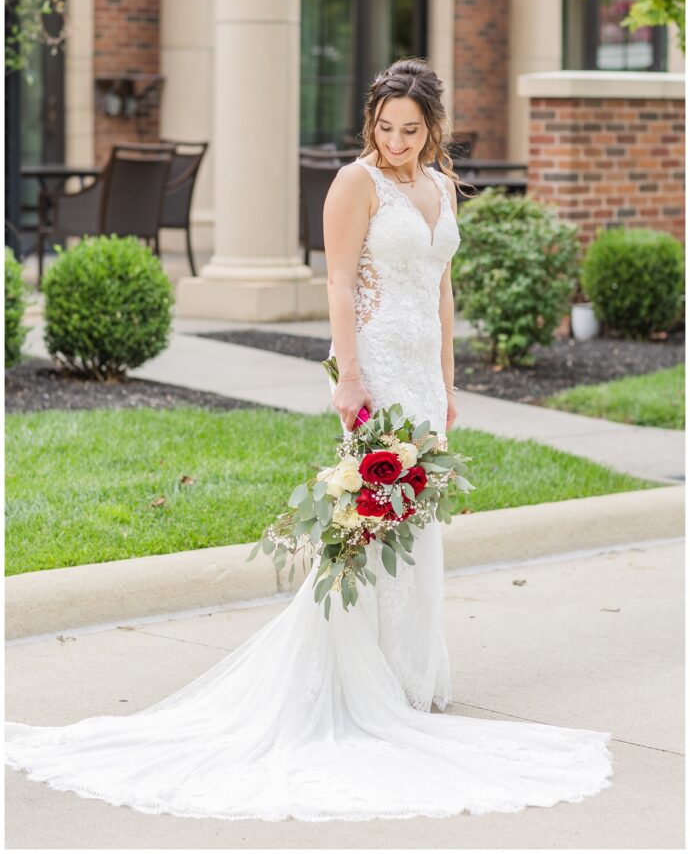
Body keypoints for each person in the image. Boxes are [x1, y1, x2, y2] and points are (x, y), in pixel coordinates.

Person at [5, 58, 614, 821]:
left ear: (433, 128)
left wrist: (451, 384)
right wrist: (349, 376)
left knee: (417, 521)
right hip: (376, 366)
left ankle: (407, 676)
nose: (396, 142)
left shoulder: (439, 185)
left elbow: (441, 287)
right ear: (372, 123)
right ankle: (354, 683)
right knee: (371, 520)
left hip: (423, 371)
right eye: (386, 128)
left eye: (411, 130)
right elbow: (338, 281)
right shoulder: (355, 184)